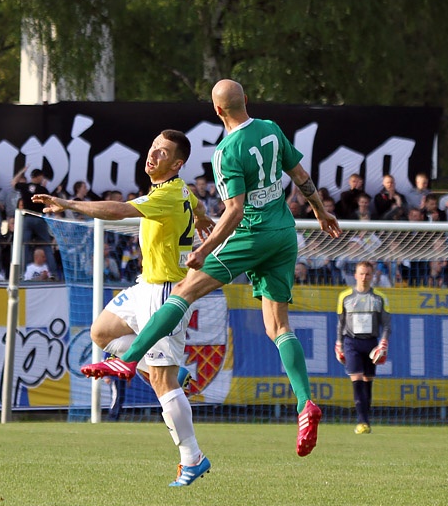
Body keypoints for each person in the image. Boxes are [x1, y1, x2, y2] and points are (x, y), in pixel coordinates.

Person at [78, 79, 341, 458]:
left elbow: (234, 210)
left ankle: (130, 359)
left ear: (217, 111)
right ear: (246, 101)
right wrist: (320, 210)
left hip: (252, 233)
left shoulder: (226, 151)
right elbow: (301, 177)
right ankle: (305, 404)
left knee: (184, 291)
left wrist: (205, 248)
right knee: (278, 326)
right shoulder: (271, 129)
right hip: (284, 233)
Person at [33, 129, 213, 486]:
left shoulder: (167, 195)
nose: (153, 155)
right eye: (152, 148)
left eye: (163, 153)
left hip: (164, 293)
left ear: (177, 163)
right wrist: (204, 220)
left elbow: (119, 211)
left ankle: (193, 458)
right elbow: (198, 204)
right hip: (145, 286)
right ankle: (171, 374)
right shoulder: (182, 192)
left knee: (163, 383)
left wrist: (69, 205)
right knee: (101, 331)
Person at [334, 261, 392, 434]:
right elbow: (340, 323)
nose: (364, 277)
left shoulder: (380, 298)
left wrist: (383, 342)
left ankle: (366, 421)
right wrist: (339, 343)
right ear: (355, 275)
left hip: (371, 343)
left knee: (368, 382)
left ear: (373, 276)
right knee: (357, 379)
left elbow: (387, 325)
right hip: (351, 342)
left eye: (368, 274)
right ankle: (361, 421)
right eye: (361, 273)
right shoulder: (345, 296)